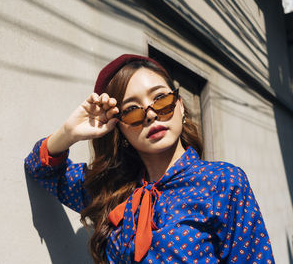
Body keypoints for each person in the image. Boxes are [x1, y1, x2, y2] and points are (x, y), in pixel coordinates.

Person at [24, 54, 274, 263]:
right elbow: (39, 168)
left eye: (161, 99)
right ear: (118, 128)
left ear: (181, 106)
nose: (151, 115)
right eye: (132, 111)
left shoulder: (223, 181)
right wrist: (69, 133)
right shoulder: (110, 191)